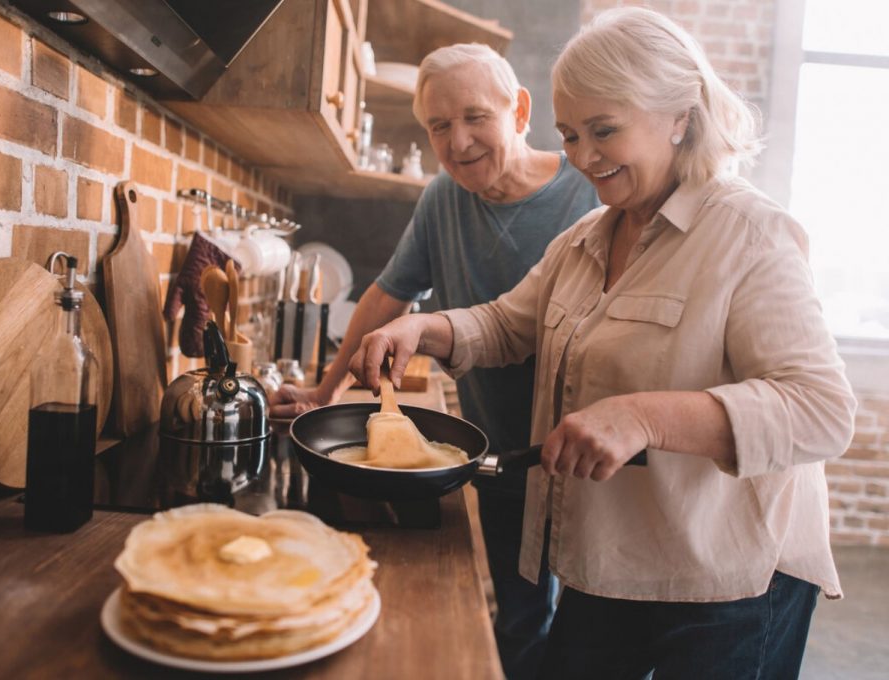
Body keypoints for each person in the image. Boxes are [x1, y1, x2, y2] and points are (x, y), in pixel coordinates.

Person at [348, 8, 857, 680]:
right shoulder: (586, 237)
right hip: (609, 557)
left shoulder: (749, 234)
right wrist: (424, 327)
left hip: (726, 583)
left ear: (678, 115)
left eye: (604, 130)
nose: (582, 156)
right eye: (570, 134)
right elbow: (506, 324)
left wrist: (642, 416)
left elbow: (820, 410)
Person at [270, 43, 600, 679]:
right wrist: (324, 390)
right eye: (439, 126)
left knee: (591, 637)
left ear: (520, 109)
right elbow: (387, 294)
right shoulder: (443, 199)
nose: (459, 141)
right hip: (498, 453)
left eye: (476, 116)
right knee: (519, 617)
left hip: (582, 456)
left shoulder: (587, 195)